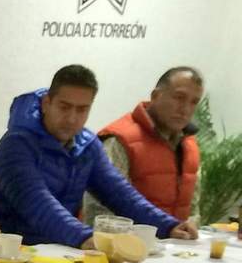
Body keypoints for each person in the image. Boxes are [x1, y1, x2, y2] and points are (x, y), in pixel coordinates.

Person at [0, 64, 198, 249]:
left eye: (82, 109)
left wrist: (169, 226)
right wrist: (85, 237)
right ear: (46, 103)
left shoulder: (87, 145)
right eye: (64, 107)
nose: (72, 118)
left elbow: (121, 195)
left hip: (62, 253)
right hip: (11, 256)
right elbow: (38, 205)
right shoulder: (15, 145)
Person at [83, 66, 204, 223]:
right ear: (155, 96)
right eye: (179, 97)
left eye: (194, 102)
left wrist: (189, 228)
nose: (185, 109)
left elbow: (192, 210)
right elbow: (99, 212)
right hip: (127, 238)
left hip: (176, 238)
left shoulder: (190, 146)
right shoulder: (120, 139)